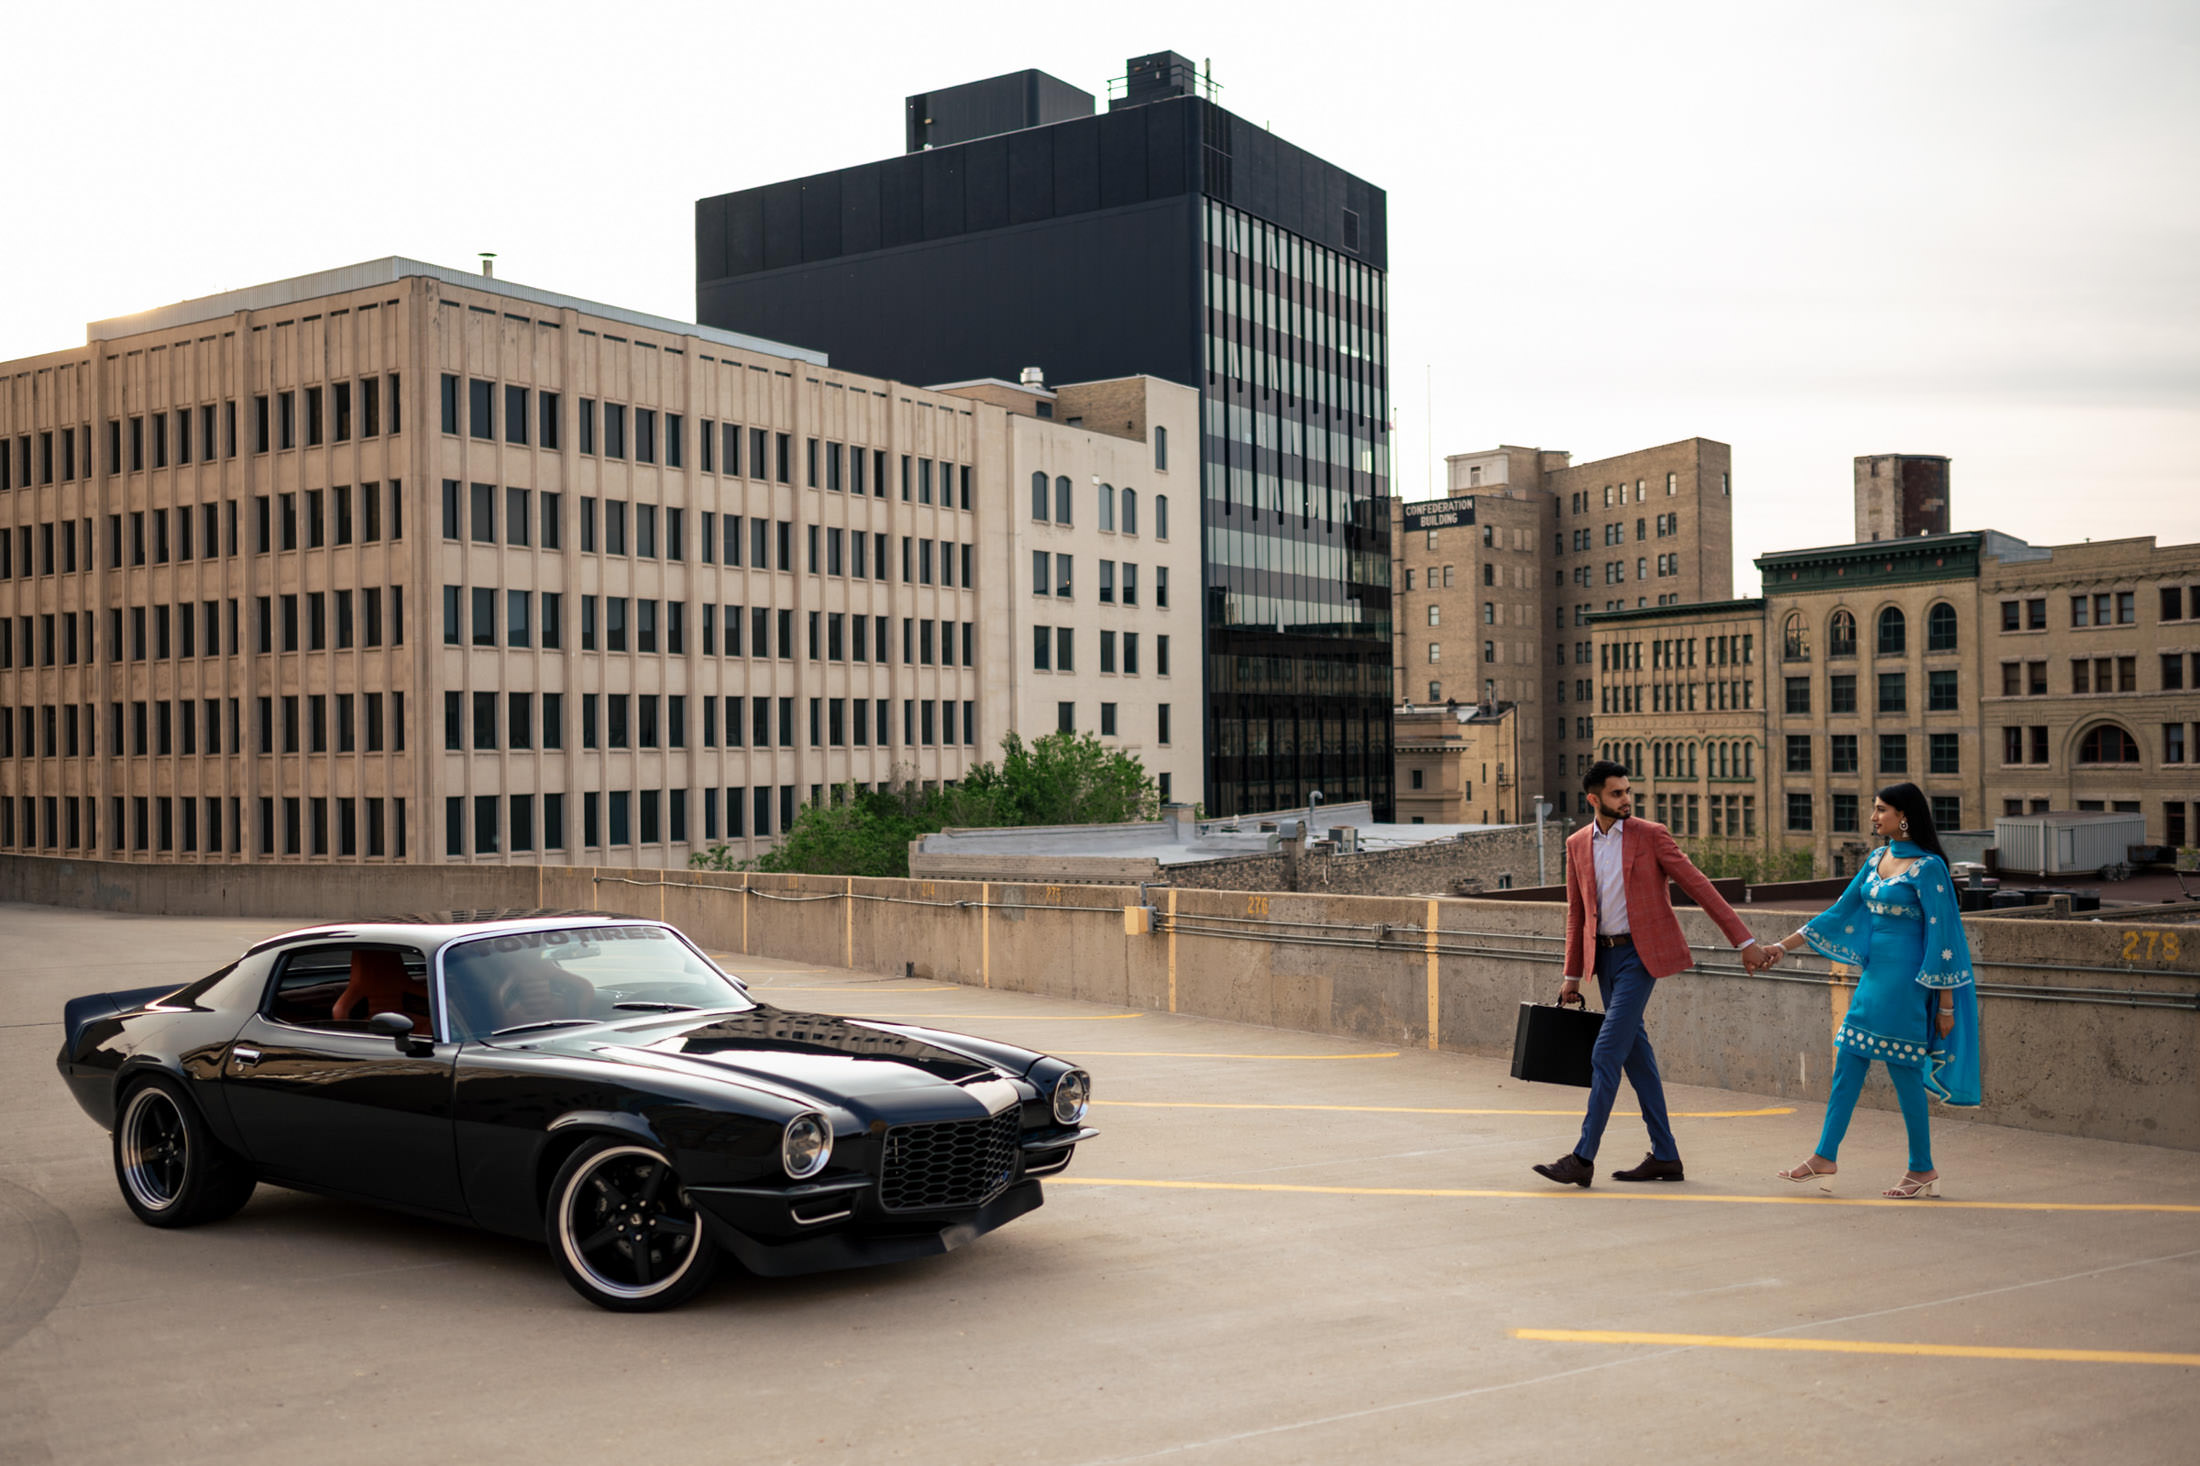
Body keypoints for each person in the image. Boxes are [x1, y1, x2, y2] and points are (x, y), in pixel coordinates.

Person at [1534, 760, 1773, 1188]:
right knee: (1636, 1059)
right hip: (1602, 962)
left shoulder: (1651, 836)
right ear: (1594, 799)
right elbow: (1576, 913)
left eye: (1628, 791)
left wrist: (1745, 943)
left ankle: (1582, 1158)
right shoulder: (1576, 844)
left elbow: (1700, 886)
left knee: (1606, 1053)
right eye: (1616, 793)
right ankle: (1666, 1156)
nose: (1626, 799)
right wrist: (1571, 974)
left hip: (1640, 958)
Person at [1760, 782, 1981, 1198]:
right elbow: (1840, 911)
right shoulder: (1878, 858)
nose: (1873, 817)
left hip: (1908, 983)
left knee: (1904, 1071)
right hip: (1875, 978)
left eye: (1881, 810)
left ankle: (1922, 1167)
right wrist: (1780, 947)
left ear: (1904, 816)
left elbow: (1945, 936)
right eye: (1874, 810)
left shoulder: (1929, 867)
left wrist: (1946, 1005)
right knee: (1848, 1061)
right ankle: (1825, 1156)